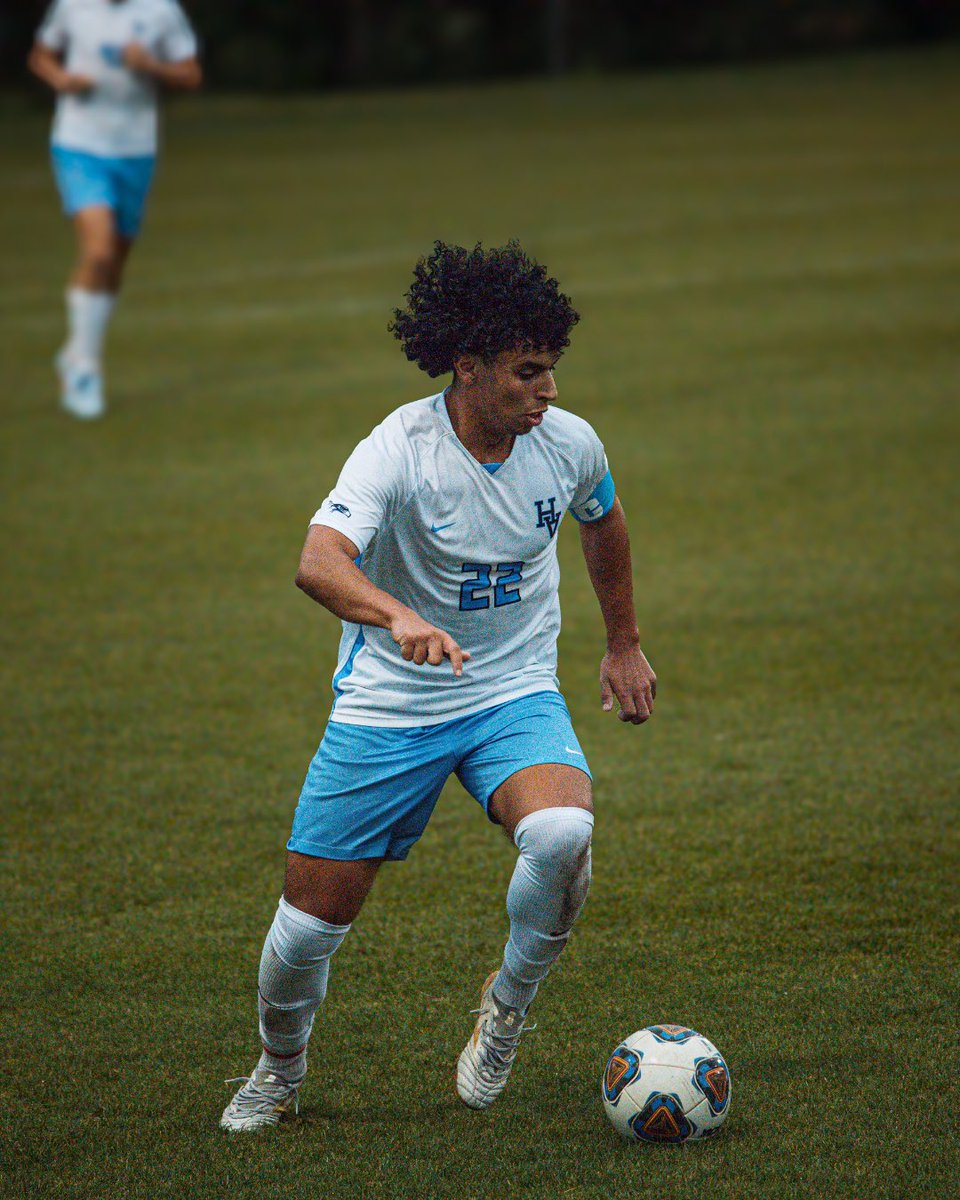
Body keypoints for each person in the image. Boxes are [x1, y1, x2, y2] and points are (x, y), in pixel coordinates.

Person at [220, 241, 657, 1132]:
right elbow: (317, 561)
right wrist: (397, 617)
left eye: (552, 371)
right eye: (528, 373)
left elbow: (602, 520)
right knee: (306, 931)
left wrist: (623, 643)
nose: (549, 392)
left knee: (563, 830)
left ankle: (504, 1013)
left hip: (511, 689)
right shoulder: (400, 449)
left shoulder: (568, 445)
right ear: (469, 368)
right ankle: (279, 1069)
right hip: (393, 702)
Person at [27, 0, 202, 420]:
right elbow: (40, 56)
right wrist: (61, 79)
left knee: (114, 263)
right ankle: (84, 369)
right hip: (78, 144)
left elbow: (191, 74)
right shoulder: (71, 6)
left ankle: (77, 351)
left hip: (136, 149)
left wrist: (151, 67)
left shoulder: (161, 11)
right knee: (99, 252)